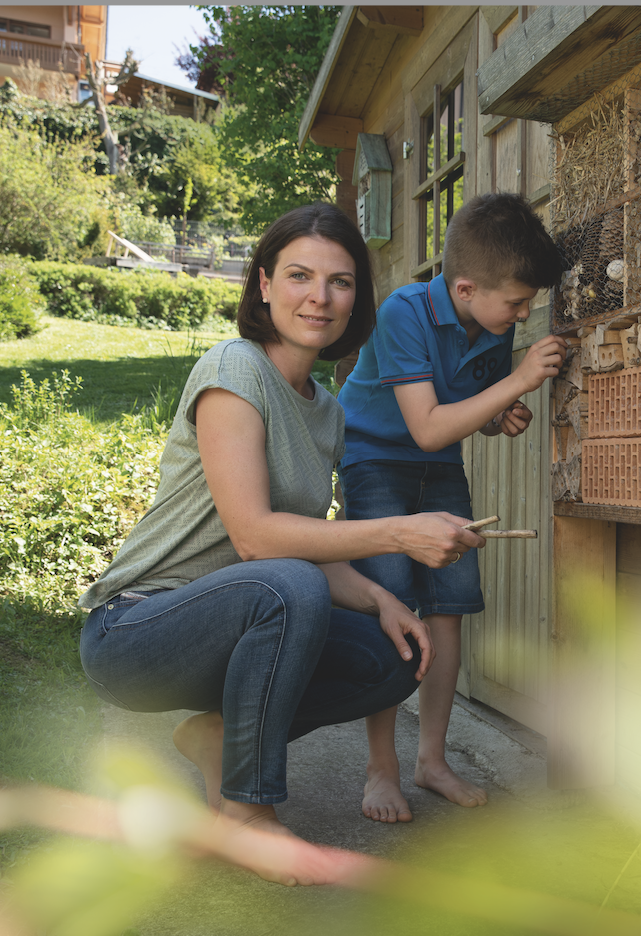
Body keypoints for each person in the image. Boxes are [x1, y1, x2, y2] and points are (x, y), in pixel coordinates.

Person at [77, 202, 486, 883]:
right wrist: (399, 533)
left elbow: (299, 549)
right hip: (137, 630)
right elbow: (258, 538)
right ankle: (248, 811)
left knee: (395, 653)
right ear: (263, 284)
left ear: (357, 298)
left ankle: (216, 739)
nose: (319, 298)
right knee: (287, 583)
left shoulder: (326, 409)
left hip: (243, 615)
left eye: (340, 282)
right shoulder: (234, 369)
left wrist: (382, 600)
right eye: (299, 276)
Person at [337, 192, 570, 822]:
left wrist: (499, 415)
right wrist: (518, 381)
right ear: (465, 288)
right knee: (391, 613)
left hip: (439, 471)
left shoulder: (493, 320)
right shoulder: (403, 312)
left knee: (448, 613)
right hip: (376, 464)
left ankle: (431, 761)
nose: (523, 314)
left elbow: (465, 409)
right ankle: (381, 768)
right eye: (517, 302)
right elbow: (428, 428)